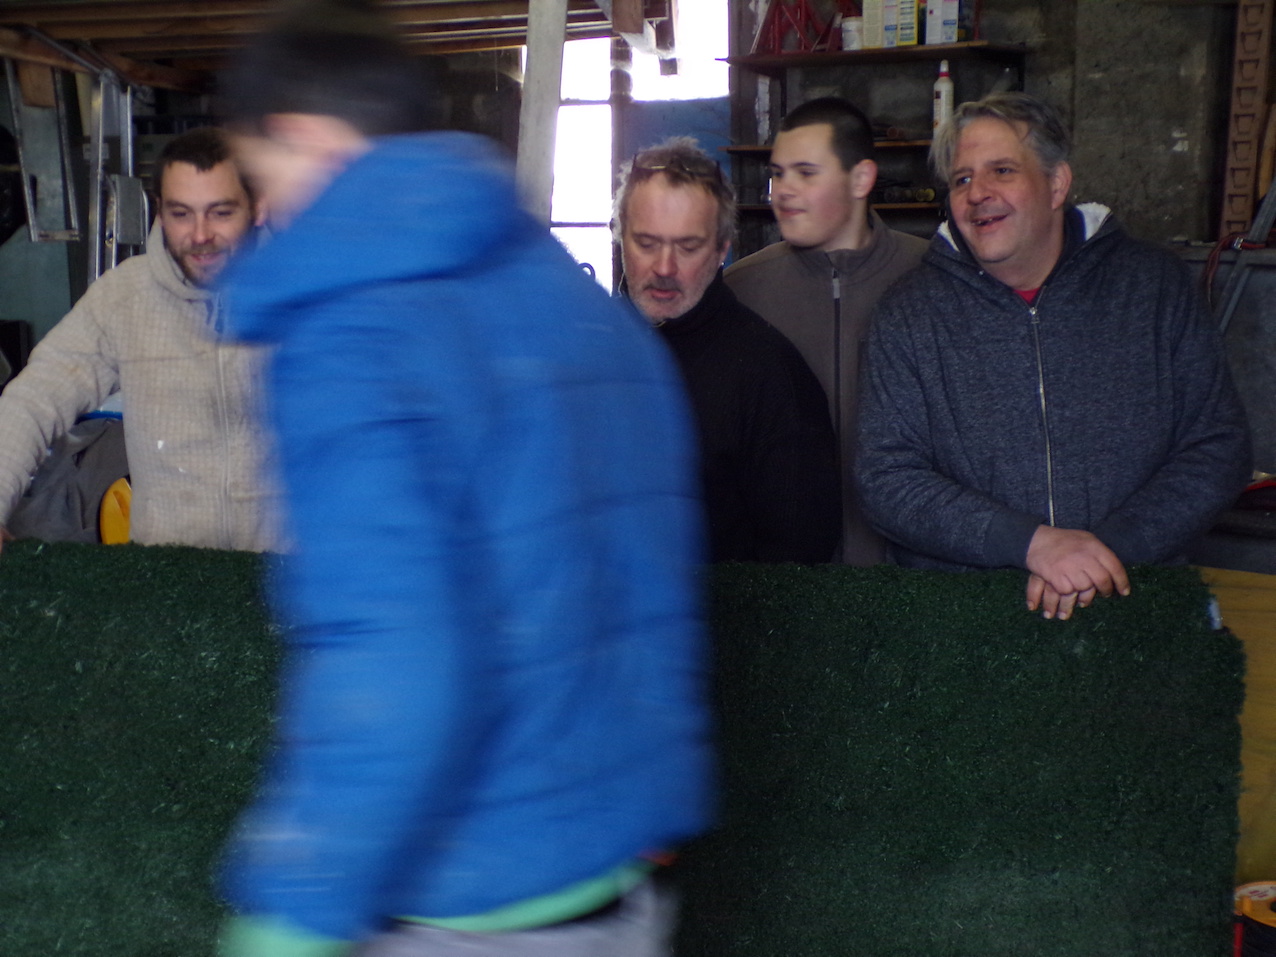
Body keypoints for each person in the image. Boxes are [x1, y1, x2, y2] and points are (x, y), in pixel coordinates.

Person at [214, 7, 712, 957]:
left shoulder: (350, 335)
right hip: (620, 886)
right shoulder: (582, 307)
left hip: (463, 903)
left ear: (307, 139)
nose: (268, 215)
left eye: (264, 179)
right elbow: (654, 582)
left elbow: (391, 662)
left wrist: (287, 919)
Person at [856, 91, 1251, 621]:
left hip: (1139, 601)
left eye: (1002, 170)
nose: (978, 193)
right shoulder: (908, 313)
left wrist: (1103, 553)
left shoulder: (1153, 287)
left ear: (1057, 184)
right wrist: (1032, 544)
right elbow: (886, 478)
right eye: (962, 179)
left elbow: (1217, 444)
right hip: (962, 620)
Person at [0, 126, 280, 551]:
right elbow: (35, 399)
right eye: (181, 214)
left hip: (287, 566)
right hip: (163, 572)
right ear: (159, 211)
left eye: (220, 213)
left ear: (257, 207)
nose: (200, 235)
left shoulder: (310, 295)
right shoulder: (123, 297)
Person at [725, 97, 928, 566]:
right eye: (778, 174)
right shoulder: (740, 290)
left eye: (806, 173)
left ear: (861, 179)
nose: (784, 191)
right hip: (784, 578)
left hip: (911, 576)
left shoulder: (931, 278)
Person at [615, 137, 839, 563]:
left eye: (688, 246)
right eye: (646, 243)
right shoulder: (580, 350)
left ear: (722, 249)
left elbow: (798, 555)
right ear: (619, 235)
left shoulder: (770, 373)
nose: (664, 267)